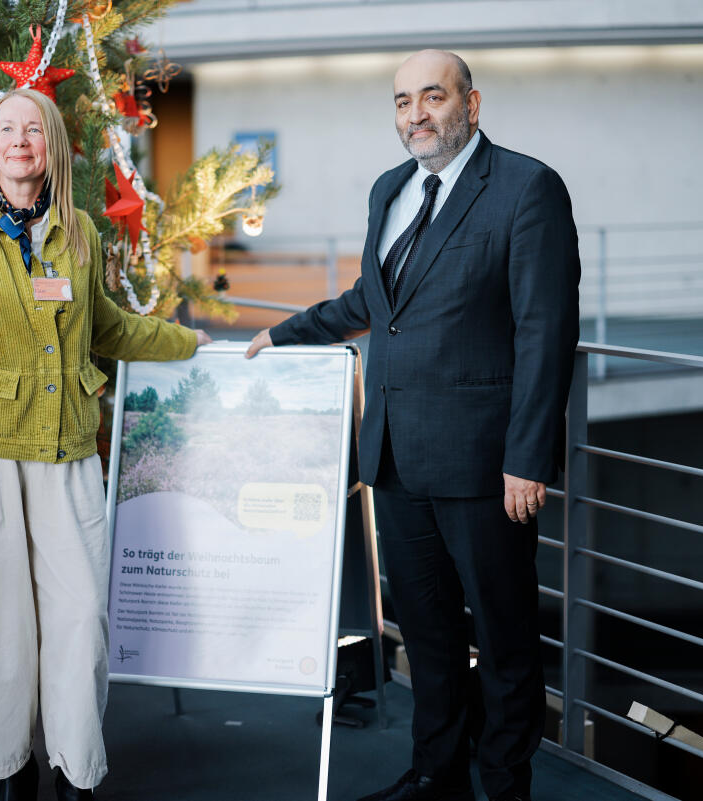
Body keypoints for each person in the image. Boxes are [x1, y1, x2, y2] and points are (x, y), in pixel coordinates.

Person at [247, 51, 580, 801]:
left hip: (485, 466)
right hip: (395, 458)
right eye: (403, 101)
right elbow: (373, 303)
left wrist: (529, 457)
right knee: (428, 637)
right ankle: (436, 776)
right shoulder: (390, 189)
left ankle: (506, 786)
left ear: (472, 103)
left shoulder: (527, 187)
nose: (416, 114)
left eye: (433, 97)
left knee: (504, 641)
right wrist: (284, 334)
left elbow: (546, 331)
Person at [0, 88, 210, 801]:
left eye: (33, 128)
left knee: (80, 615)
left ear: (53, 145)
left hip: (66, 450)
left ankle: (75, 767)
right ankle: (11, 766)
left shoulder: (81, 231)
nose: (19, 140)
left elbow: (107, 325)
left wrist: (185, 341)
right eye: (6, 128)